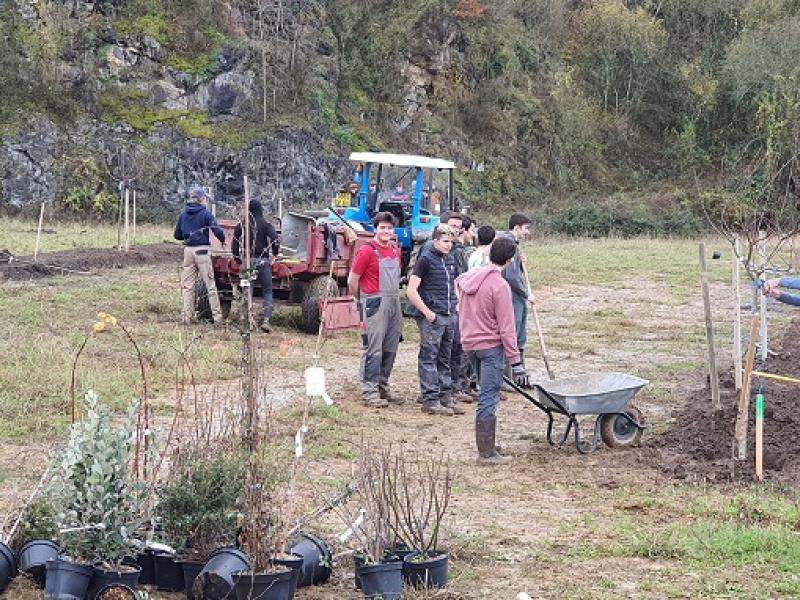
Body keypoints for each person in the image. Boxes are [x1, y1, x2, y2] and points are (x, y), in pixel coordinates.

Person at [456, 236, 530, 465]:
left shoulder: (470, 276)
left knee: (485, 391)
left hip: (470, 344)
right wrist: (516, 363)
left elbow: (457, 282)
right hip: (490, 348)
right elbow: (507, 328)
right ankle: (486, 453)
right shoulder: (500, 286)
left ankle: (488, 443)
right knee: (489, 395)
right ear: (509, 260)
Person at [348, 212, 404, 408]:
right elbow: (352, 280)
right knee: (373, 348)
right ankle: (369, 391)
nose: (386, 231)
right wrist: (361, 301)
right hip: (374, 303)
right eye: (383, 227)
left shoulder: (396, 251)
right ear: (375, 229)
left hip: (394, 303)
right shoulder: (367, 251)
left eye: (389, 228)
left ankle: (382, 386)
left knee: (390, 347)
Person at [406, 224, 464, 416]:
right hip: (434, 317)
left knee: (444, 358)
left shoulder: (450, 259)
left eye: (451, 242)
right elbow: (411, 290)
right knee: (429, 358)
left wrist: (456, 303)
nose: (449, 245)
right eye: (445, 241)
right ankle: (430, 399)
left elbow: (454, 283)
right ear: (435, 241)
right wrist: (427, 312)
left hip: (449, 316)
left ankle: (445, 396)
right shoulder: (425, 260)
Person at [173, 185, 226, 326]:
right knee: (210, 286)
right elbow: (217, 230)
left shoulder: (183, 214)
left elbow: (177, 235)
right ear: (202, 199)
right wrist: (222, 240)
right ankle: (218, 319)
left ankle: (186, 318)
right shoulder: (206, 213)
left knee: (187, 287)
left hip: (188, 251)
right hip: (202, 252)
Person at [232, 200, 280, 332]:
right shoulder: (265, 224)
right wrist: (274, 255)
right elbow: (275, 239)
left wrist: (237, 259)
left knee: (247, 291)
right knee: (267, 291)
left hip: (248, 262)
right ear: (261, 210)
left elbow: (235, 243)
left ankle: (247, 320)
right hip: (262, 261)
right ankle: (266, 320)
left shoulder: (242, 224)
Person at [502, 213, 534, 363]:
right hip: (512, 295)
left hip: (512, 293)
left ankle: (517, 372)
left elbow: (513, 270)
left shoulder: (511, 243)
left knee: (517, 333)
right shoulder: (510, 244)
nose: (527, 232)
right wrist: (526, 294)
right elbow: (511, 276)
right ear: (516, 227)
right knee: (514, 333)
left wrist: (519, 264)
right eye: (525, 228)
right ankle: (512, 373)